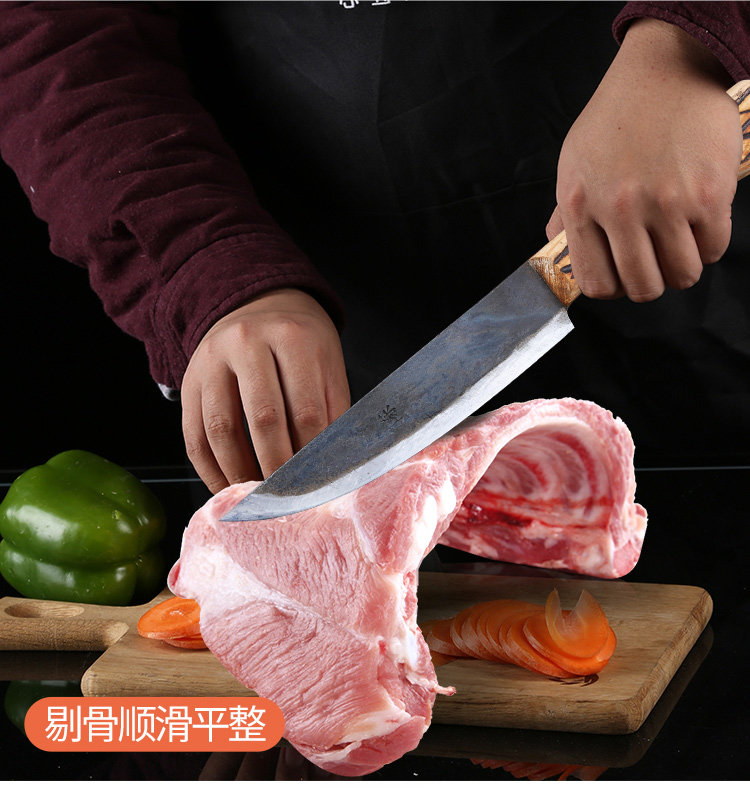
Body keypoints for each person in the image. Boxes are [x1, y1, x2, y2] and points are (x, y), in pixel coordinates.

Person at [0, 1, 748, 493]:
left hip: (706, 367)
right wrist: (204, 264)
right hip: (344, 360)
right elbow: (61, 33)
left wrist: (690, 43)